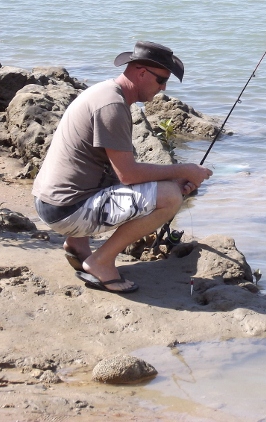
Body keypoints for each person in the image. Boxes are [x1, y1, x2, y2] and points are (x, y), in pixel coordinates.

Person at [32, 41, 212, 293]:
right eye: (161, 80)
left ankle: (77, 245)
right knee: (170, 198)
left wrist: (173, 178)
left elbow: (117, 171)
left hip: (49, 201)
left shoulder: (104, 92)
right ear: (141, 73)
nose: (163, 88)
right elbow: (128, 175)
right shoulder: (113, 107)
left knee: (166, 187)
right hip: (65, 210)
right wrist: (182, 171)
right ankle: (101, 261)